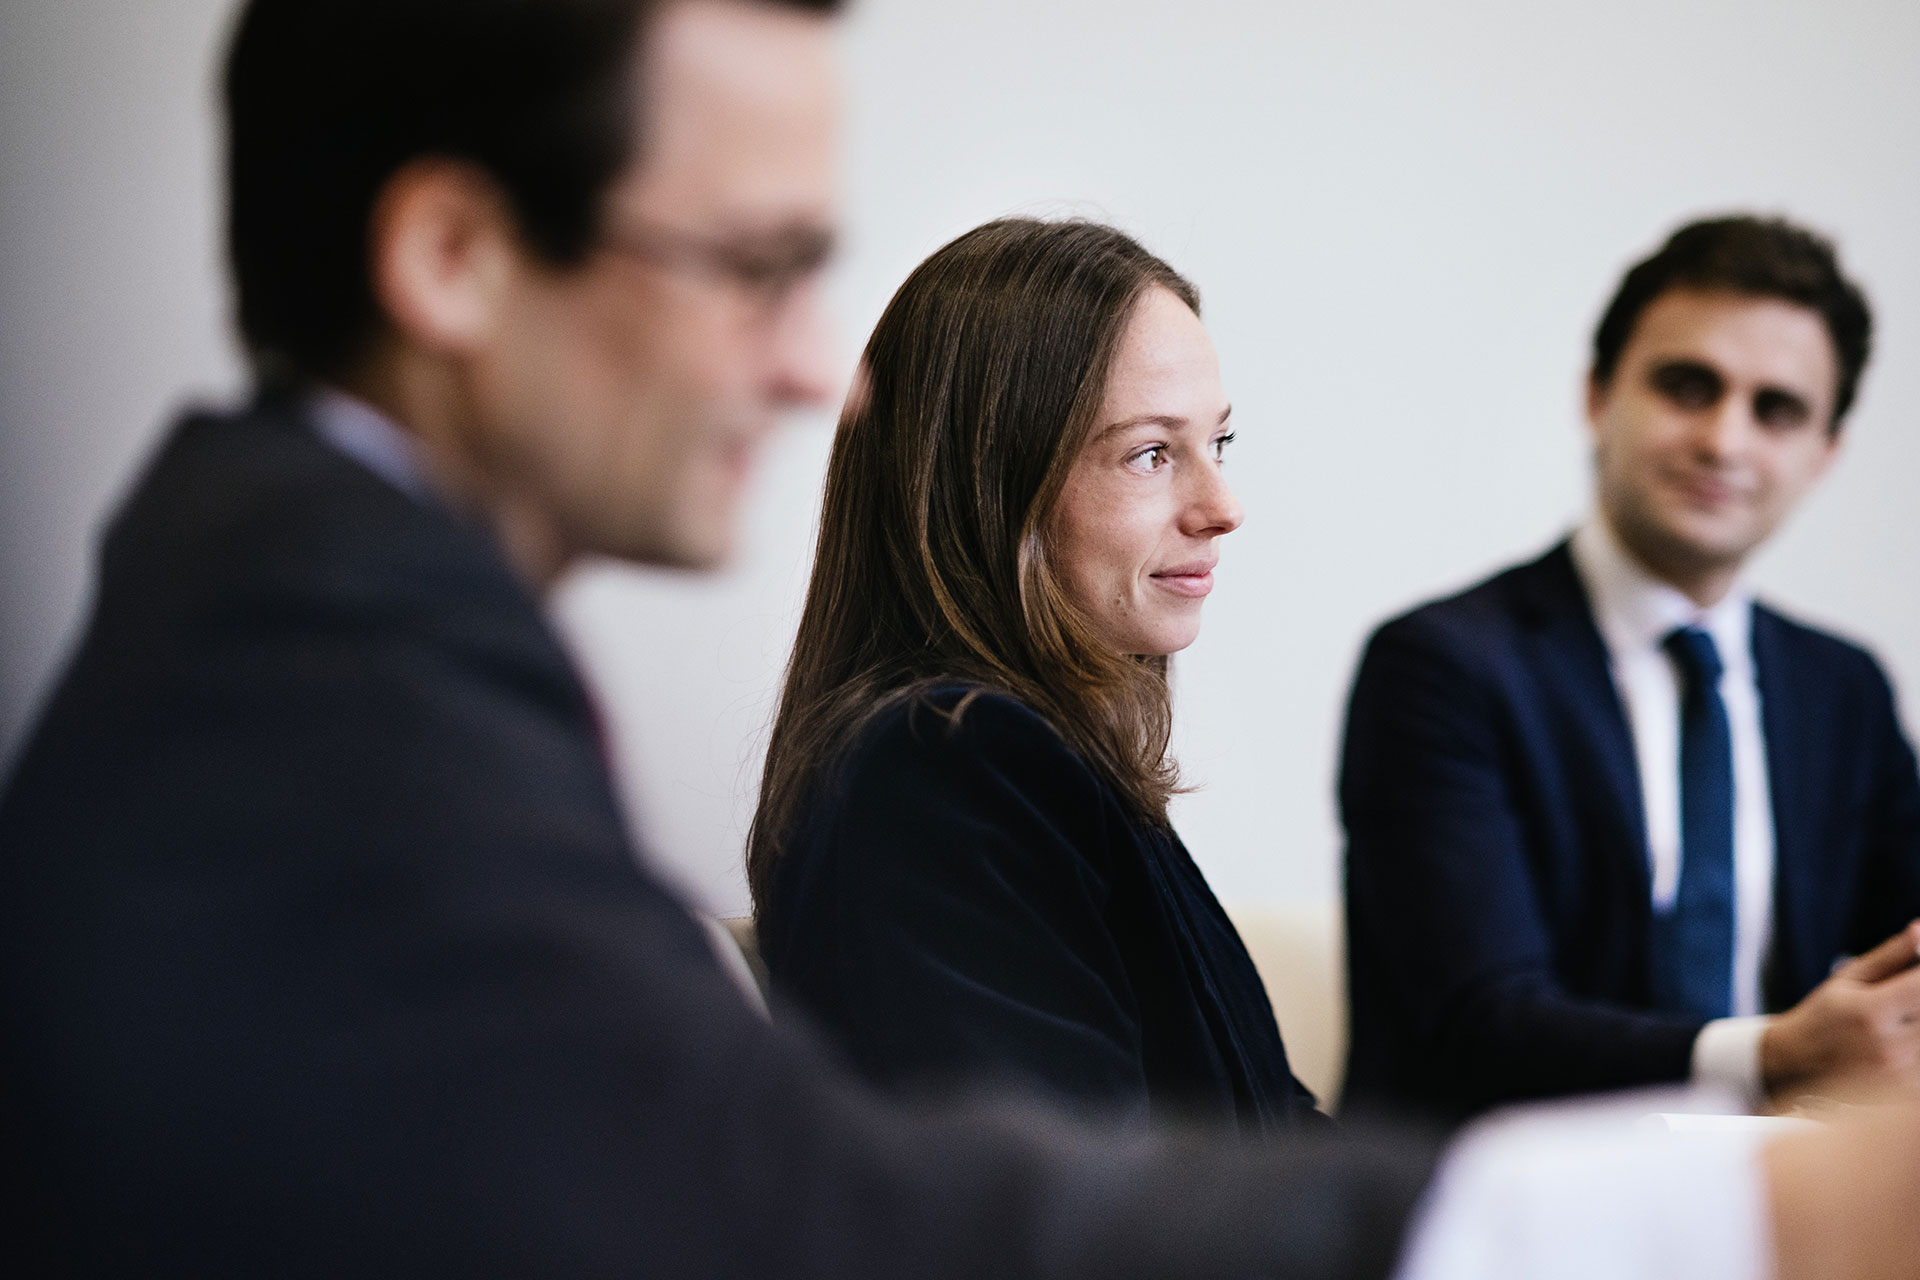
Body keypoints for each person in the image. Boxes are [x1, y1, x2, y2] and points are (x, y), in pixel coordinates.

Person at [0, 1, 1915, 1275]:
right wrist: (1753, 1219)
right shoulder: (330, 702)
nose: (806, 365)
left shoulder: (346, 635)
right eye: (750, 265)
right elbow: (855, 1214)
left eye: (1219, 445)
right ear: (452, 260)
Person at [1339, 214, 1920, 1126]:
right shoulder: (1440, 666)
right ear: (1598, 396)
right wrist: (1773, 1055)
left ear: (1825, 454)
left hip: (1780, 1195)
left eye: (1776, 410)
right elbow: (1479, 1024)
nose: (1725, 441)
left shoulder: (1840, 690)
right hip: (1498, 1192)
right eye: (1688, 387)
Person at [748, 218, 1322, 1136]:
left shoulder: (1047, 762)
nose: (1223, 506)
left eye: (1219, 443)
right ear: (990, 487)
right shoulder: (945, 769)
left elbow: (1273, 1128)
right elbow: (1070, 1196)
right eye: (1151, 453)